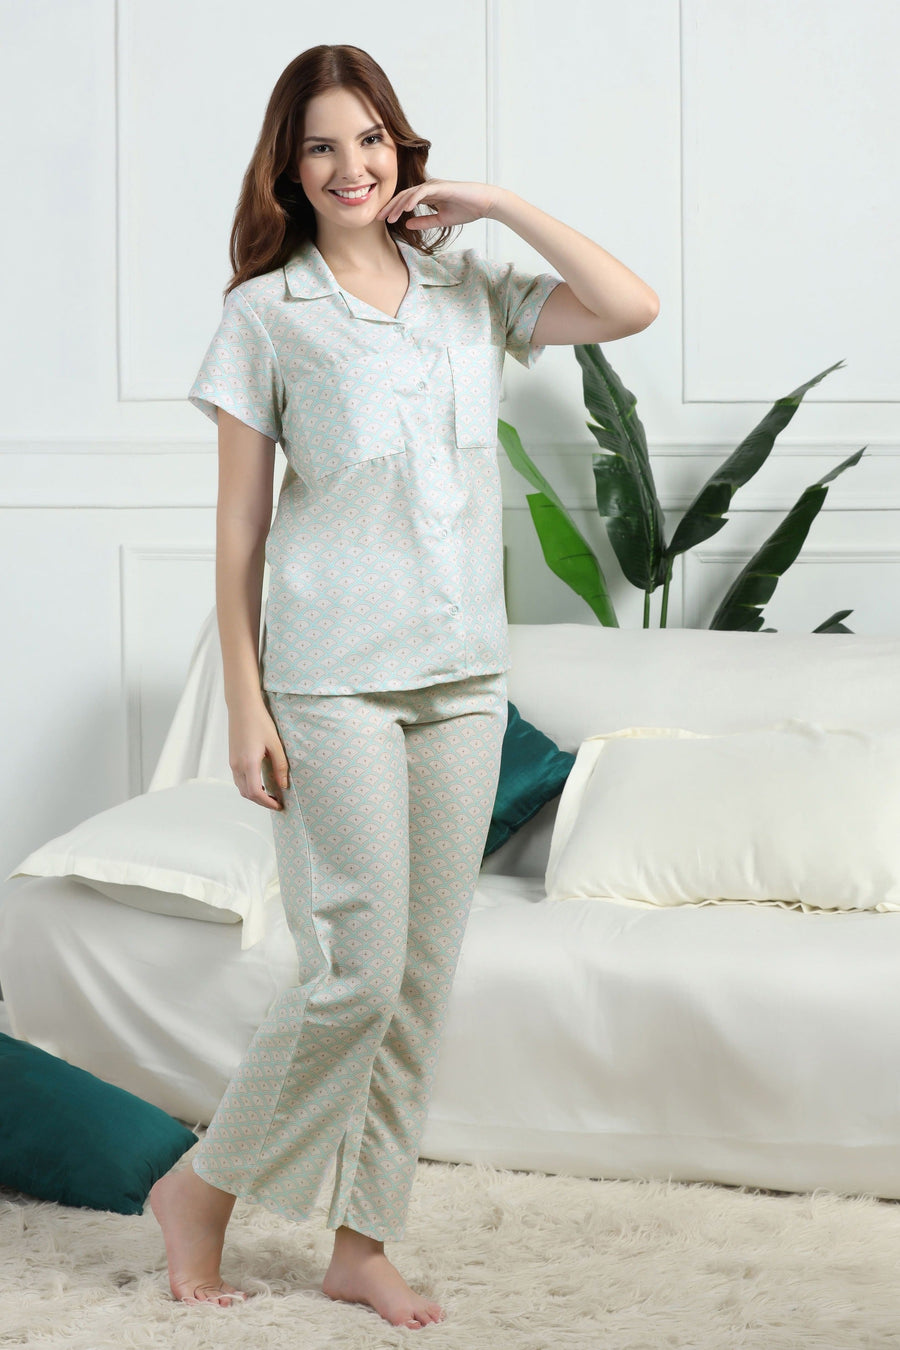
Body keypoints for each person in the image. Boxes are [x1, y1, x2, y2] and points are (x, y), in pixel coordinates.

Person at [148, 42, 659, 1331]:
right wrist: (247, 702)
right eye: (321, 146)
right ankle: (201, 1189)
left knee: (419, 981)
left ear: (400, 149)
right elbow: (240, 532)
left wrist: (498, 204)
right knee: (357, 974)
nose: (351, 166)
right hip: (331, 683)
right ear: (288, 168)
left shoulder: (465, 286)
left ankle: (361, 1243)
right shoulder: (267, 315)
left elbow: (630, 307)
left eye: (370, 138)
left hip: (464, 677)